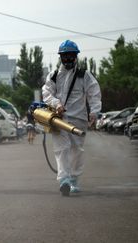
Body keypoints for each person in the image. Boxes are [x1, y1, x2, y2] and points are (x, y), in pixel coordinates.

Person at [42, 40, 102, 196]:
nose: (68, 59)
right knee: (62, 149)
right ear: (61, 57)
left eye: (71, 56)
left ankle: (74, 178)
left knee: (77, 150)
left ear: (76, 57)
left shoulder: (84, 75)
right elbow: (47, 94)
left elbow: (94, 94)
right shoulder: (54, 76)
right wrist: (56, 104)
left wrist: (94, 111)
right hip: (59, 120)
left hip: (79, 120)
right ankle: (64, 180)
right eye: (65, 56)